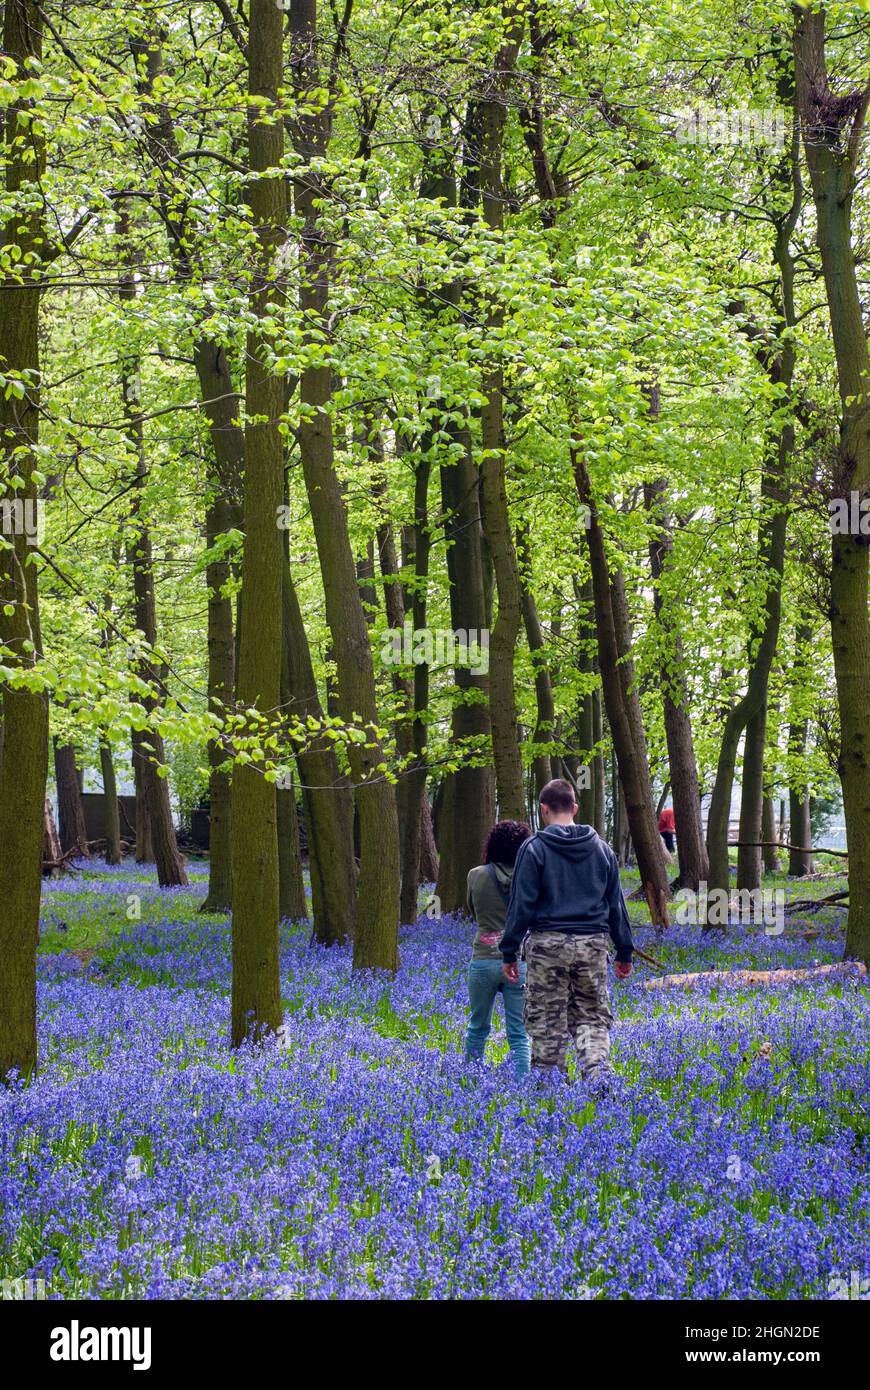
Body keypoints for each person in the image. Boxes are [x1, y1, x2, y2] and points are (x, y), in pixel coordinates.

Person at [500, 779, 633, 1082]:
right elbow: (616, 906)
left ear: (543, 810)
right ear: (575, 807)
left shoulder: (533, 850)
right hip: (593, 945)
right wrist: (624, 949)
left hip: (547, 946)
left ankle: (550, 1087)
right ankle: (597, 1072)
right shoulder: (602, 850)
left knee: (547, 1019)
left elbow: (521, 905)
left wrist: (509, 950)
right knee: (592, 1016)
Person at [466, 820, 532, 1077]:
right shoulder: (528, 878)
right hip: (519, 962)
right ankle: (521, 1086)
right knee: (519, 1032)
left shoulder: (476, 875)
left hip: (482, 960)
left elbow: (472, 910)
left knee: (477, 1027)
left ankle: (470, 1082)